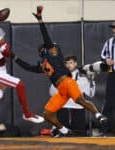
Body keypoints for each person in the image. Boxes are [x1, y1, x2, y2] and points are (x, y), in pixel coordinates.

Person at [12, 6, 108, 137]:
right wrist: (14, 57)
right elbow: (28, 67)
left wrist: (40, 20)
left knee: (80, 100)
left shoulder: (53, 53)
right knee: (47, 114)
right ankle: (64, 130)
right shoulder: (43, 64)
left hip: (67, 82)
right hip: (60, 90)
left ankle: (99, 115)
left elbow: (45, 36)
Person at [49, 55, 96, 136]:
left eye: (71, 63)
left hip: (78, 108)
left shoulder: (84, 78)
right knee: (61, 134)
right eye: (66, 63)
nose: (68, 65)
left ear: (75, 64)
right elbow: (51, 92)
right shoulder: (59, 76)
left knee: (80, 134)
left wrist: (91, 81)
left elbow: (90, 94)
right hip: (63, 108)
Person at [100, 22, 115, 136]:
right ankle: (104, 130)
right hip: (112, 73)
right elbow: (103, 55)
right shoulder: (109, 42)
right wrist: (106, 61)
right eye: (113, 28)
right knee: (109, 102)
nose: (113, 30)